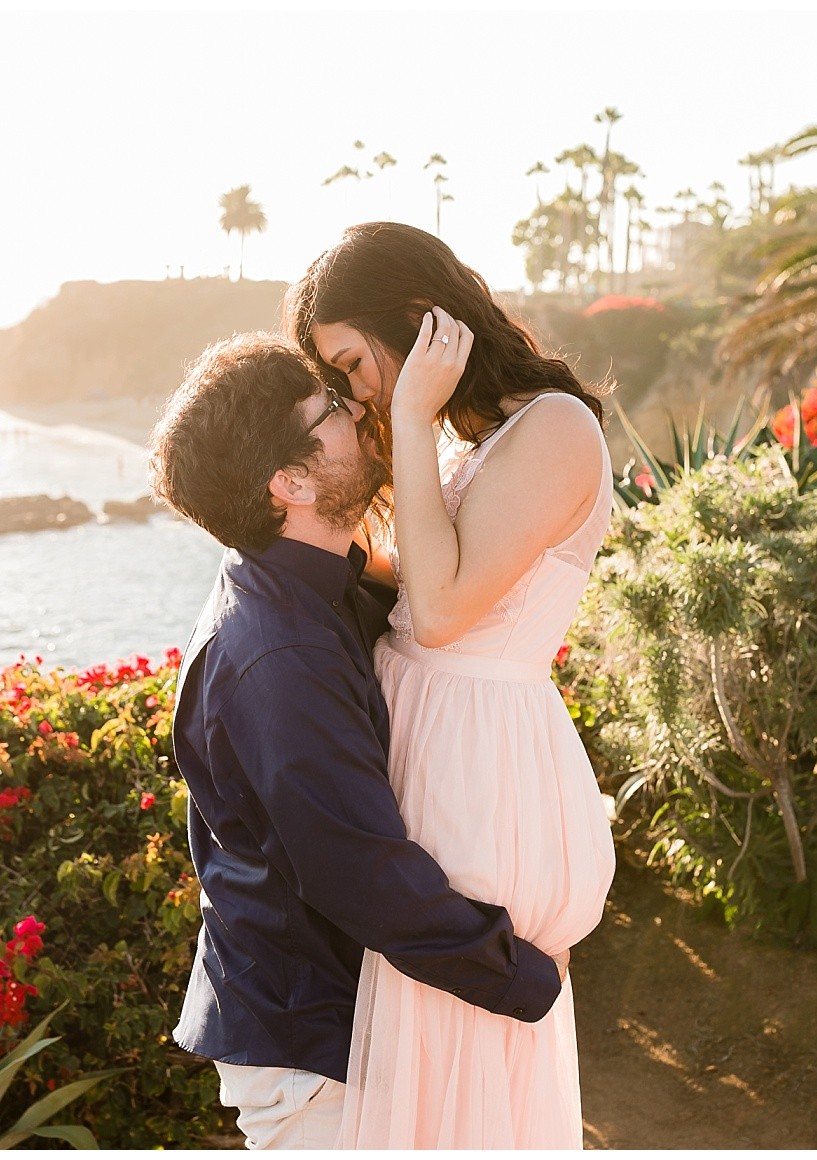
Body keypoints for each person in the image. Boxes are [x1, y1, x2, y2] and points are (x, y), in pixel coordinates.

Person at [148, 334, 564, 1148]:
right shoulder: (281, 660)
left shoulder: (321, 584)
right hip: (313, 1057)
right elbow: (359, 873)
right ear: (290, 481)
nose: (359, 412)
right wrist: (525, 974)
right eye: (331, 410)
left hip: (338, 1022)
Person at [288, 222, 617, 1148]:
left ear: (414, 321)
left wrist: (409, 416)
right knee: (422, 1037)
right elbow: (427, 577)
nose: (355, 389)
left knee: (454, 1026)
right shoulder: (487, 437)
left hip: (477, 763)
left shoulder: (553, 427)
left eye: (355, 362)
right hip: (438, 738)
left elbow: (442, 613)